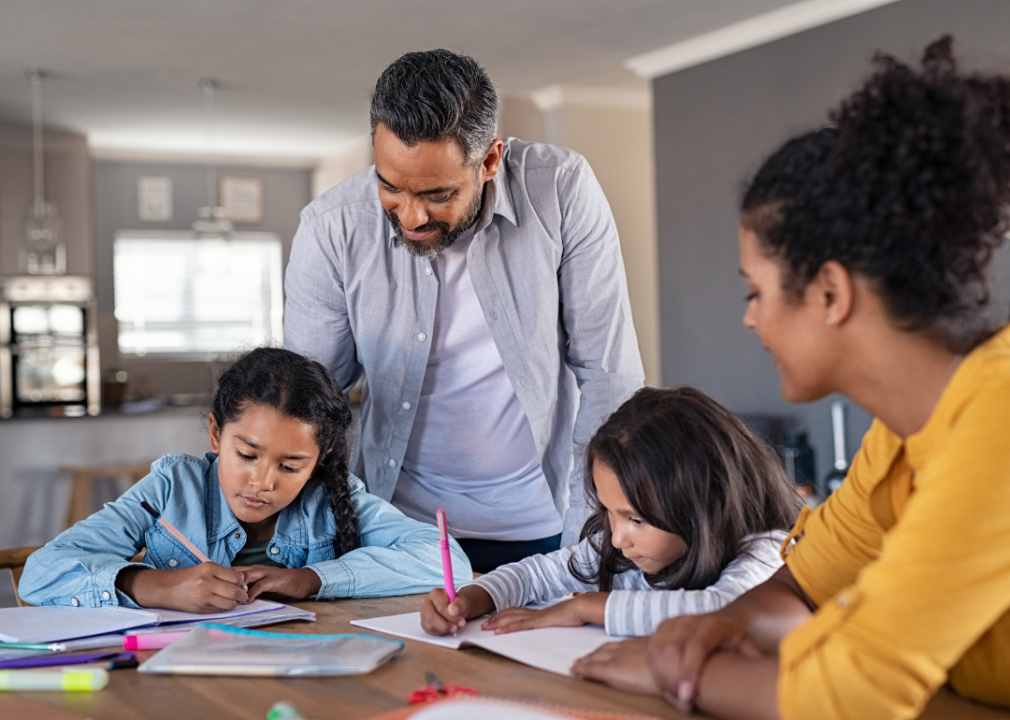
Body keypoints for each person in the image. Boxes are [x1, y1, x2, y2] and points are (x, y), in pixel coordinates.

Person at [572, 37, 1010, 719]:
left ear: (830, 294)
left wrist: (666, 673)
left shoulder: (997, 421)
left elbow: (850, 693)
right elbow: (800, 587)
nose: (749, 320)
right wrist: (716, 629)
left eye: (756, 292)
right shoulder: (900, 437)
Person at [283, 49, 644, 573]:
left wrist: (588, 541)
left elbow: (610, 376)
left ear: (490, 161)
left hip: (549, 523)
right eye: (389, 186)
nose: (410, 215)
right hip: (398, 530)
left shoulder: (561, 189)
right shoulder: (331, 227)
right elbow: (306, 402)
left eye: (436, 193)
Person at [19, 347, 471, 611]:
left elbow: (446, 560)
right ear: (217, 433)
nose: (263, 481)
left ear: (320, 459)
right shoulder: (172, 487)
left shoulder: (333, 498)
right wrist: (154, 586)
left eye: (290, 466)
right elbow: (40, 575)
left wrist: (313, 579)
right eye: (247, 454)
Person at [419, 386, 799, 638]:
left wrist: (587, 606)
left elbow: (725, 611)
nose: (617, 538)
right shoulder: (619, 546)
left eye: (636, 519)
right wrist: (471, 599)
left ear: (706, 502)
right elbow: (536, 574)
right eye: (608, 511)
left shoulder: (767, 551)